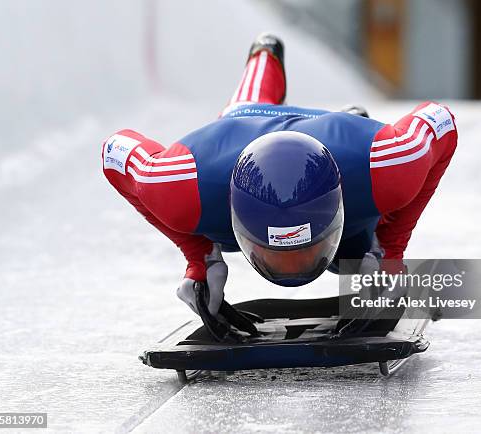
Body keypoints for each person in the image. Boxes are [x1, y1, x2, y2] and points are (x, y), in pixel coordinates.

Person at [102, 33, 458, 337]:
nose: (294, 267)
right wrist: (199, 257)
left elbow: (441, 121)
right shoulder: (176, 184)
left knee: (349, 261)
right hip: (238, 130)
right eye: (278, 254)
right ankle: (265, 53)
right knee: (243, 109)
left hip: (348, 152)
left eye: (303, 251)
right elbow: (114, 152)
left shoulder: (389, 162)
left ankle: (342, 117)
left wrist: (391, 249)